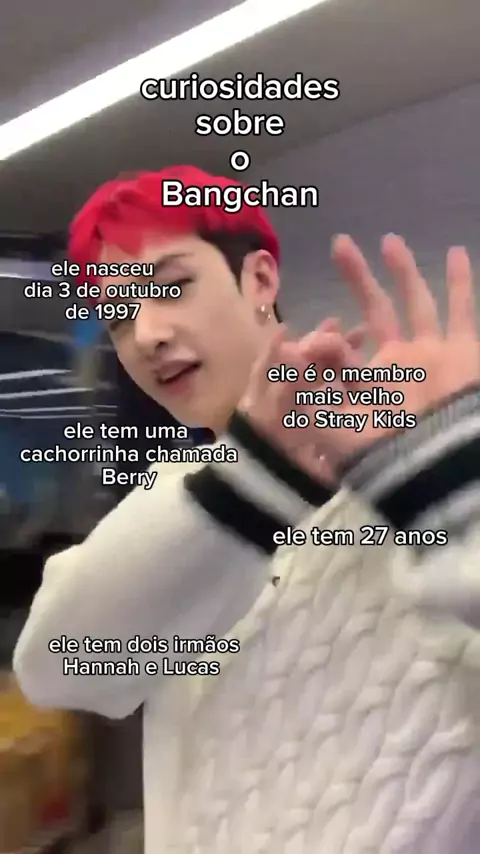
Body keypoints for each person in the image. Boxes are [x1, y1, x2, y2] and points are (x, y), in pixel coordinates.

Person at [14, 165, 480, 854]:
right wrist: (247, 485)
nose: (146, 335)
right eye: (117, 315)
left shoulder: (423, 463)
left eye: (171, 285)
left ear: (259, 280)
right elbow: (59, 669)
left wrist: (449, 486)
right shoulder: (182, 498)